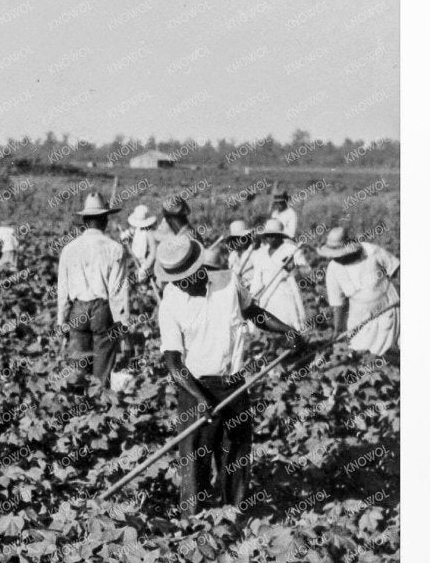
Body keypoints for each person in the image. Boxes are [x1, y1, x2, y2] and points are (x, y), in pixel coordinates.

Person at [156, 234, 312, 514]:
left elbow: (253, 312)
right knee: (194, 464)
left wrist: (288, 331)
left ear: (198, 270)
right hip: (195, 390)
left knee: (236, 458)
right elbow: (172, 361)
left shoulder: (228, 282)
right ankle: (193, 527)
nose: (179, 284)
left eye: (184, 278)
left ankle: (234, 517)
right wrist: (200, 398)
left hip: (234, 386)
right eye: (175, 279)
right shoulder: (171, 300)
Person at [56, 193, 130, 397]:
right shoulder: (115, 249)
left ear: (84, 221)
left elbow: (62, 291)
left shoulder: (69, 249)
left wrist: (61, 321)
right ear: (105, 220)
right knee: (102, 366)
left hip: (77, 308)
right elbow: (118, 291)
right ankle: (98, 404)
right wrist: (123, 325)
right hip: (102, 310)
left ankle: (78, 410)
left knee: (78, 366)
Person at [317, 225, 401, 357]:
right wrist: (338, 329)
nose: (338, 258)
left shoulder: (370, 251)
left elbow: (396, 268)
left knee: (388, 350)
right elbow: (338, 304)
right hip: (360, 316)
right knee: (358, 351)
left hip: (388, 307)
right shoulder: (333, 269)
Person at [243, 217, 310, 334]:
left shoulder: (291, 250)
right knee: (269, 325)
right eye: (268, 235)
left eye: (274, 235)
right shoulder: (261, 254)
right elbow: (257, 279)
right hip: (267, 295)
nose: (270, 238)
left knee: (290, 324)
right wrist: (252, 297)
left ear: (281, 236)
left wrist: (294, 268)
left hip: (286, 292)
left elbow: (307, 271)